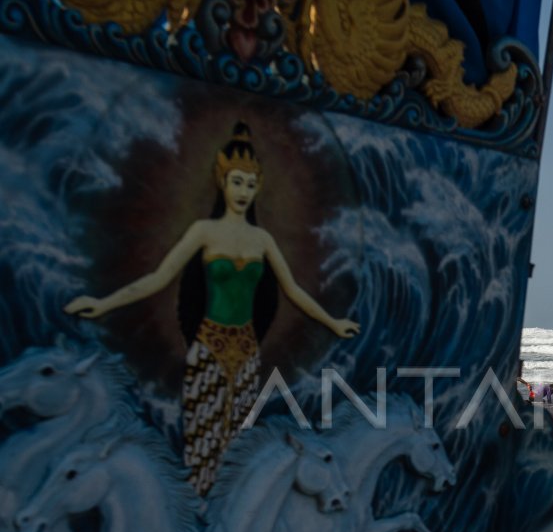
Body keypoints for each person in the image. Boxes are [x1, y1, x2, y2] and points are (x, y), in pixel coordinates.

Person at [65, 122, 359, 495]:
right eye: (238, 182)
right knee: (203, 434)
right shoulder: (204, 231)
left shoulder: (261, 239)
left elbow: (294, 291)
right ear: (223, 182)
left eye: (251, 185)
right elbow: (158, 278)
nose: (244, 192)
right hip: (209, 346)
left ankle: (222, 519)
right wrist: (103, 303)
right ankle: (194, 509)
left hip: (246, 350)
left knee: (236, 440)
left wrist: (332, 322)